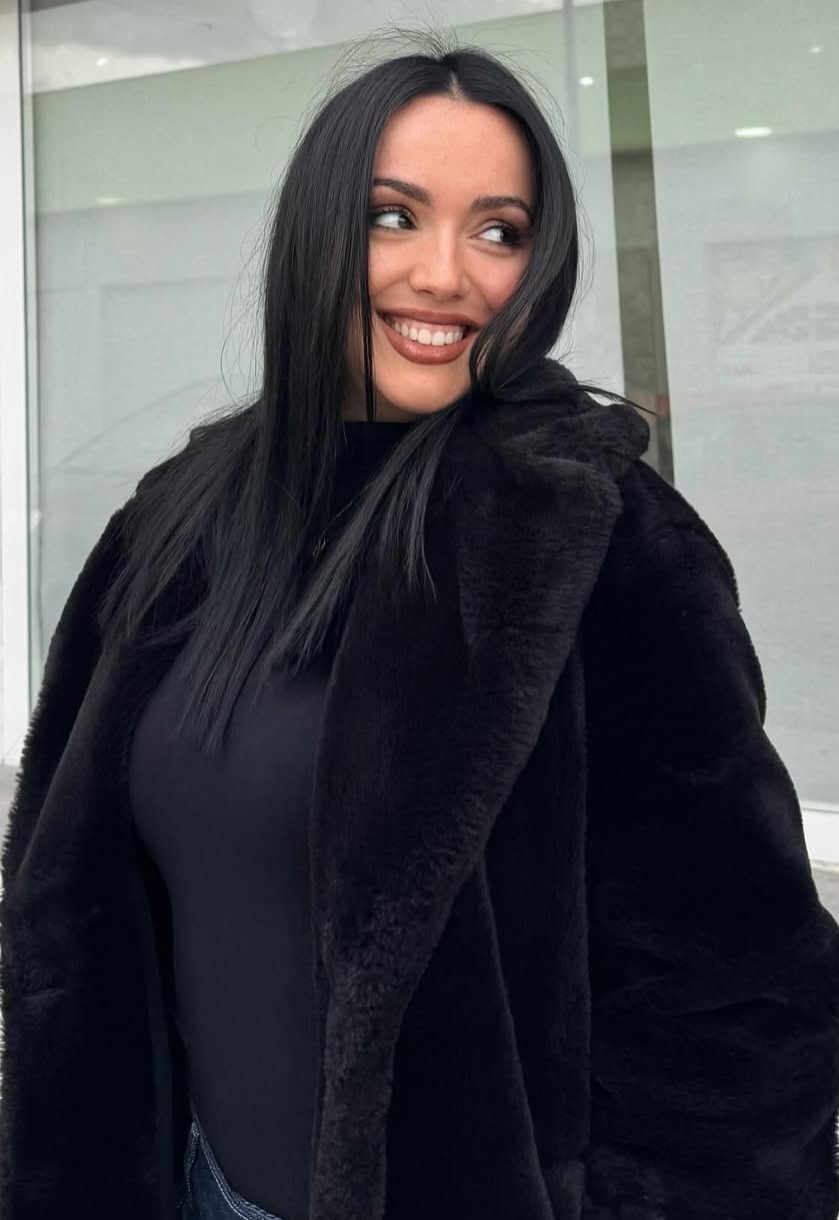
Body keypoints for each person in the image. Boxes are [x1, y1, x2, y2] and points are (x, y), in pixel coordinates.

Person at [1, 36, 838, 1220]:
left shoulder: (587, 533)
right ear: (318, 231)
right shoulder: (178, 520)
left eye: (498, 231)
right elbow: (75, 910)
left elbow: (739, 990)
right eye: (392, 216)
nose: (445, 273)